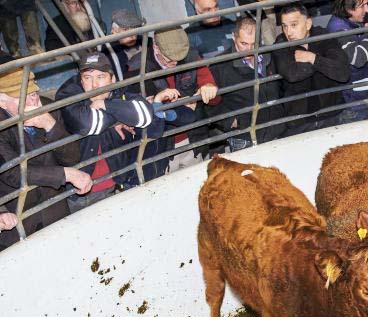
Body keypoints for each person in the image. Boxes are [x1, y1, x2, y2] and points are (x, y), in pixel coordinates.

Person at [0, 65, 92, 250]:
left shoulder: (47, 106)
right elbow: (12, 172)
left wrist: (51, 125)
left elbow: (72, 157)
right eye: (23, 97)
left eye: (33, 93)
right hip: (15, 214)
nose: (33, 101)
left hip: (55, 210)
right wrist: (65, 175)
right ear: (2, 101)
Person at [55, 52, 164, 210]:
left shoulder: (118, 89)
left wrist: (106, 105)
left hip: (116, 183)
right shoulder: (68, 92)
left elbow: (146, 116)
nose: (94, 85)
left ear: (112, 79)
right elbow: (87, 124)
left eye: (100, 77)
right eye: (87, 77)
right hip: (80, 193)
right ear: (80, 80)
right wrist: (121, 116)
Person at [127, 28, 221, 173]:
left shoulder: (192, 57)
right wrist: (179, 107)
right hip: (160, 145)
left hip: (193, 140)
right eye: (169, 58)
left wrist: (210, 89)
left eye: (179, 57)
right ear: (156, 47)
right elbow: (139, 113)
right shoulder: (137, 67)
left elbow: (216, 100)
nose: (175, 62)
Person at [272, 3, 350, 136]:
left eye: (294, 25)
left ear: (308, 24)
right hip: (299, 122)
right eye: (284, 26)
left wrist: (312, 58)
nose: (288, 32)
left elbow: (342, 73)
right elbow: (293, 74)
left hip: (331, 115)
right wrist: (324, 63)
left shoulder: (324, 37)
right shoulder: (280, 44)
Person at [208, 16, 285, 151]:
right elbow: (209, 103)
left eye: (253, 44)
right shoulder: (219, 66)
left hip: (277, 131)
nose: (249, 50)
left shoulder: (271, 55)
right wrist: (231, 121)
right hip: (244, 138)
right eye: (243, 43)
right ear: (233, 37)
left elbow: (283, 86)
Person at [327, 0, 368, 123]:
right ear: (348, 8)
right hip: (353, 102)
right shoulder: (338, 29)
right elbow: (358, 59)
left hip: (360, 95)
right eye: (362, 6)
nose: (367, 10)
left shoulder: (350, 23)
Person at [108, 9, 146, 76]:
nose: (133, 36)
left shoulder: (146, 40)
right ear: (114, 31)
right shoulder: (108, 50)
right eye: (125, 29)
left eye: (135, 29)